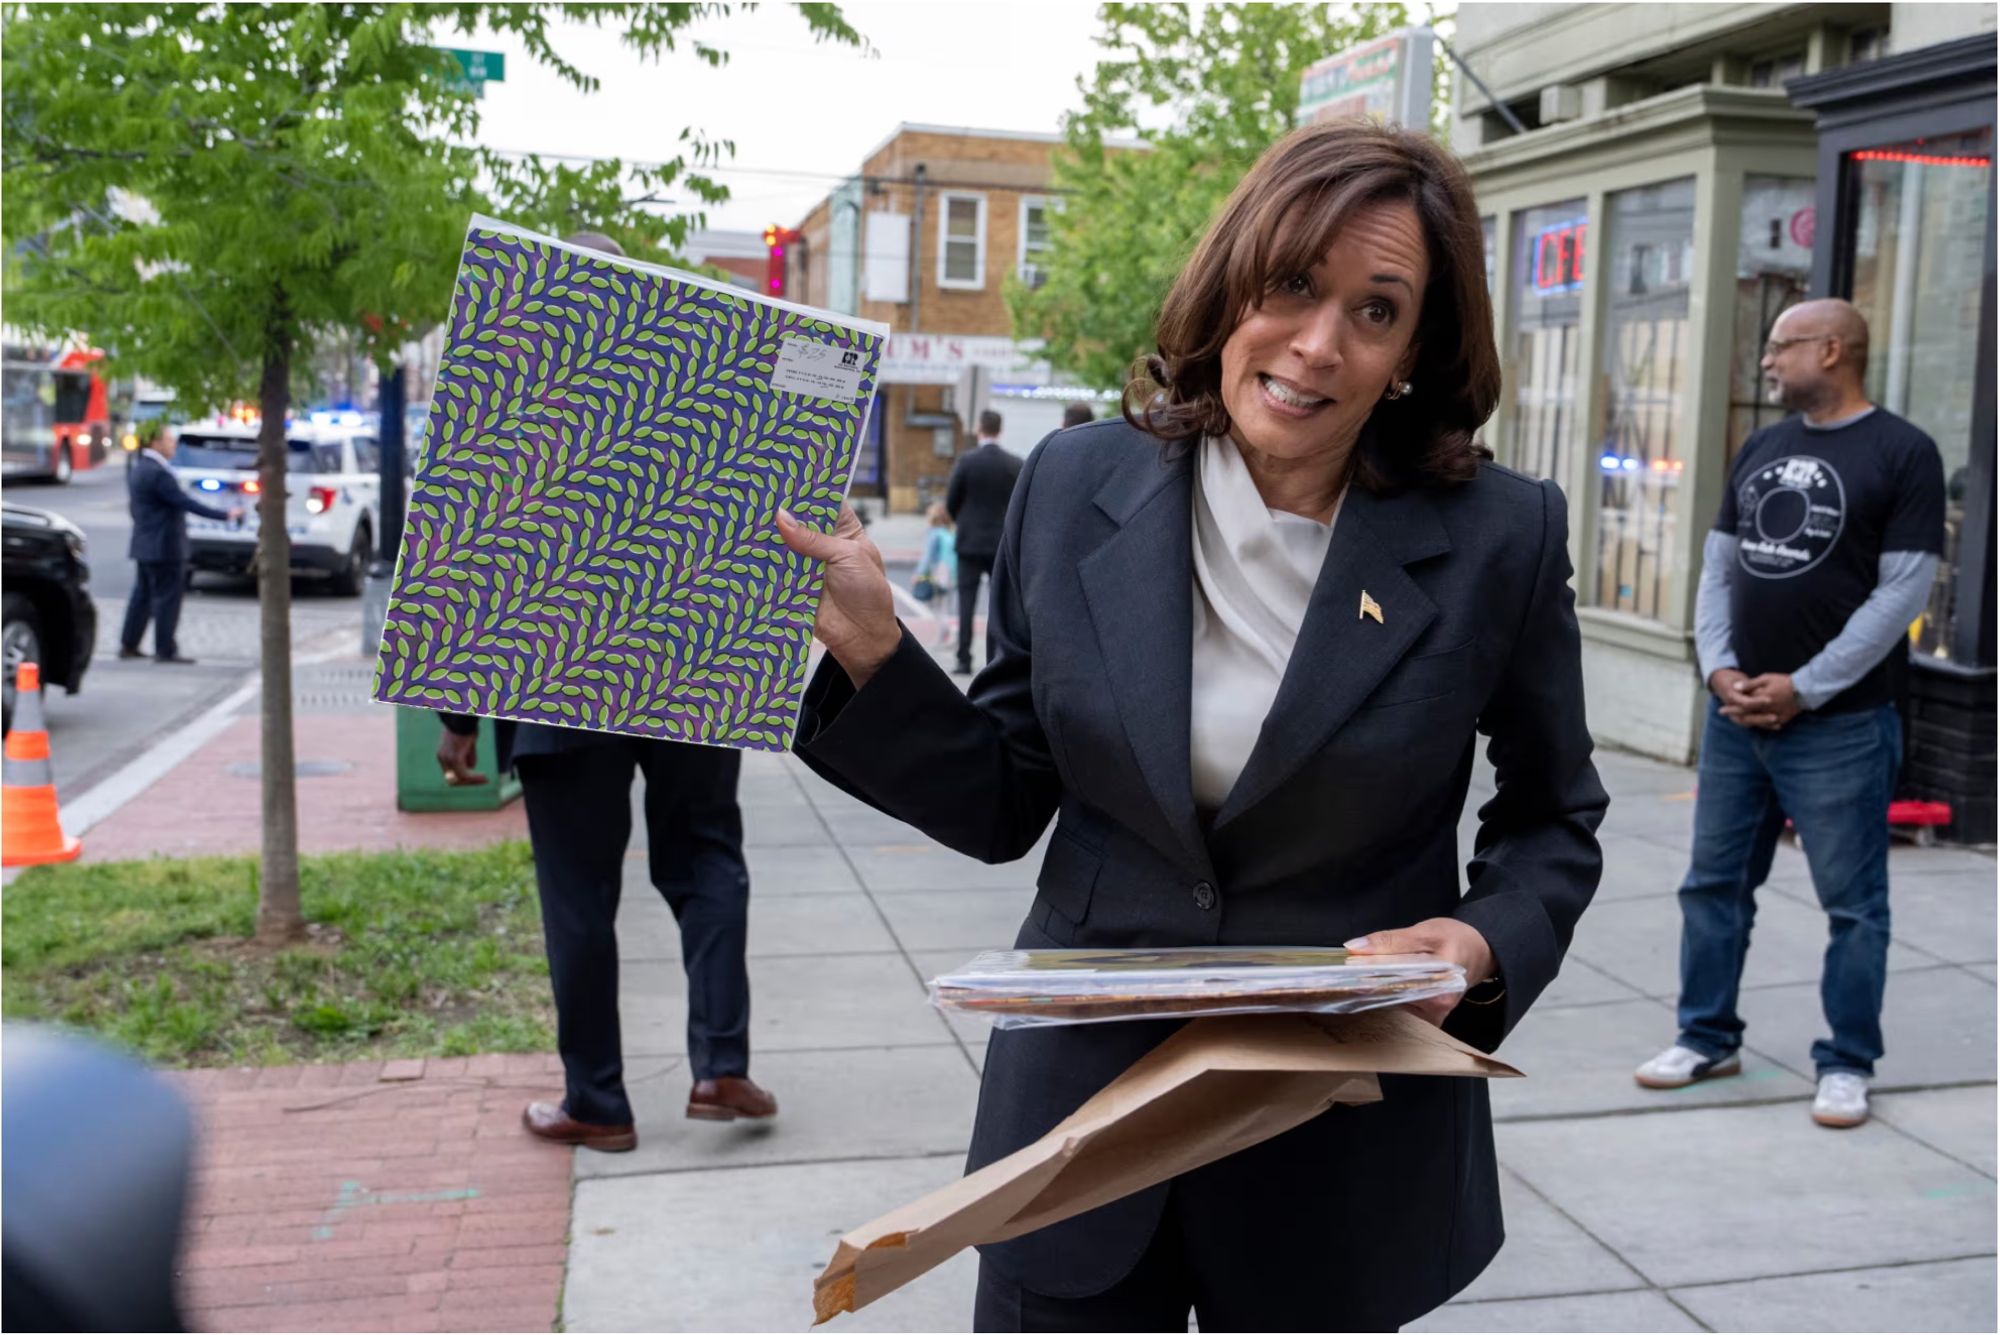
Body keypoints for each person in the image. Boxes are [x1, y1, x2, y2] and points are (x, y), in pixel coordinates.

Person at [777, 121, 1606, 1332]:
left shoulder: (1499, 538)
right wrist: (872, 653)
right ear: (1232, 285)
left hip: (1331, 1149)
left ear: (1415, 349)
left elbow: (1552, 819)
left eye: (1374, 312)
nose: (1316, 345)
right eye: (1291, 286)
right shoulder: (1073, 485)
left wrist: (1476, 944)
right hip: (1076, 1136)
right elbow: (1007, 795)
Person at [434, 229, 776, 1154]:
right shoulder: (703, 394)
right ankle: (719, 1062)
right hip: (688, 667)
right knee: (706, 857)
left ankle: (598, 1101)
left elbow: (473, 560)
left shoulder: (511, 403)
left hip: (556, 677)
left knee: (577, 895)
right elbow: (758, 513)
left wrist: (459, 716)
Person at [1635, 299, 1944, 1131]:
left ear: (1833, 349)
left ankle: (1846, 1061)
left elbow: (1902, 592)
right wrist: (1720, 667)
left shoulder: (1904, 452)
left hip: (1840, 727)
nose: (1768, 360)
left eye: (1781, 345)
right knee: (1713, 888)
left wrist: (1805, 685)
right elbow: (1717, 568)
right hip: (1737, 721)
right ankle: (1705, 1035)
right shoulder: (1764, 446)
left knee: (1853, 905)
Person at [119, 420, 239, 665]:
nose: (173, 444)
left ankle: (129, 644)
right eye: (169, 440)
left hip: (144, 543)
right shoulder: (159, 473)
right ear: (155, 443)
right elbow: (185, 502)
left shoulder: (140, 468)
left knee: (141, 596)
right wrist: (224, 515)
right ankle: (165, 649)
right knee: (167, 599)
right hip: (165, 546)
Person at [944, 409, 1023, 675]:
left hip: (969, 542)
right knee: (999, 604)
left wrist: (962, 523)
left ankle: (963, 658)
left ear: (980, 429)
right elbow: (1019, 505)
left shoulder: (967, 461)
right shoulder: (1014, 463)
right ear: (999, 429)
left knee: (966, 601)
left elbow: (951, 501)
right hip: (1000, 543)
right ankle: (996, 660)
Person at [915, 501, 957, 647]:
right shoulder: (949, 531)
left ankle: (949, 631)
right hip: (951, 572)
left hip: (938, 572)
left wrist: (919, 574)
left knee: (936, 606)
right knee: (945, 605)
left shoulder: (933, 533)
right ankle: (942, 637)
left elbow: (927, 556)